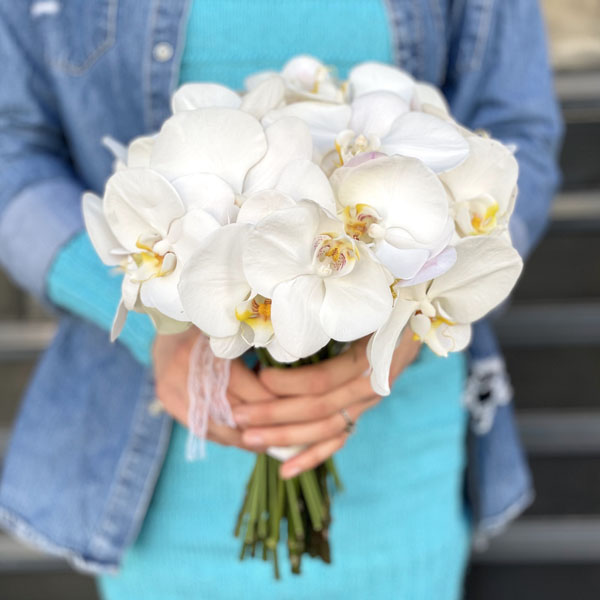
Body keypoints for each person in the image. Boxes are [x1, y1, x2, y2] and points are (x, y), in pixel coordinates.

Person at [0, 1, 561, 598]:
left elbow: (516, 139)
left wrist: (410, 317)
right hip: (155, 482)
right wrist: (153, 324)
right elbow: (12, 156)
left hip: (401, 466)